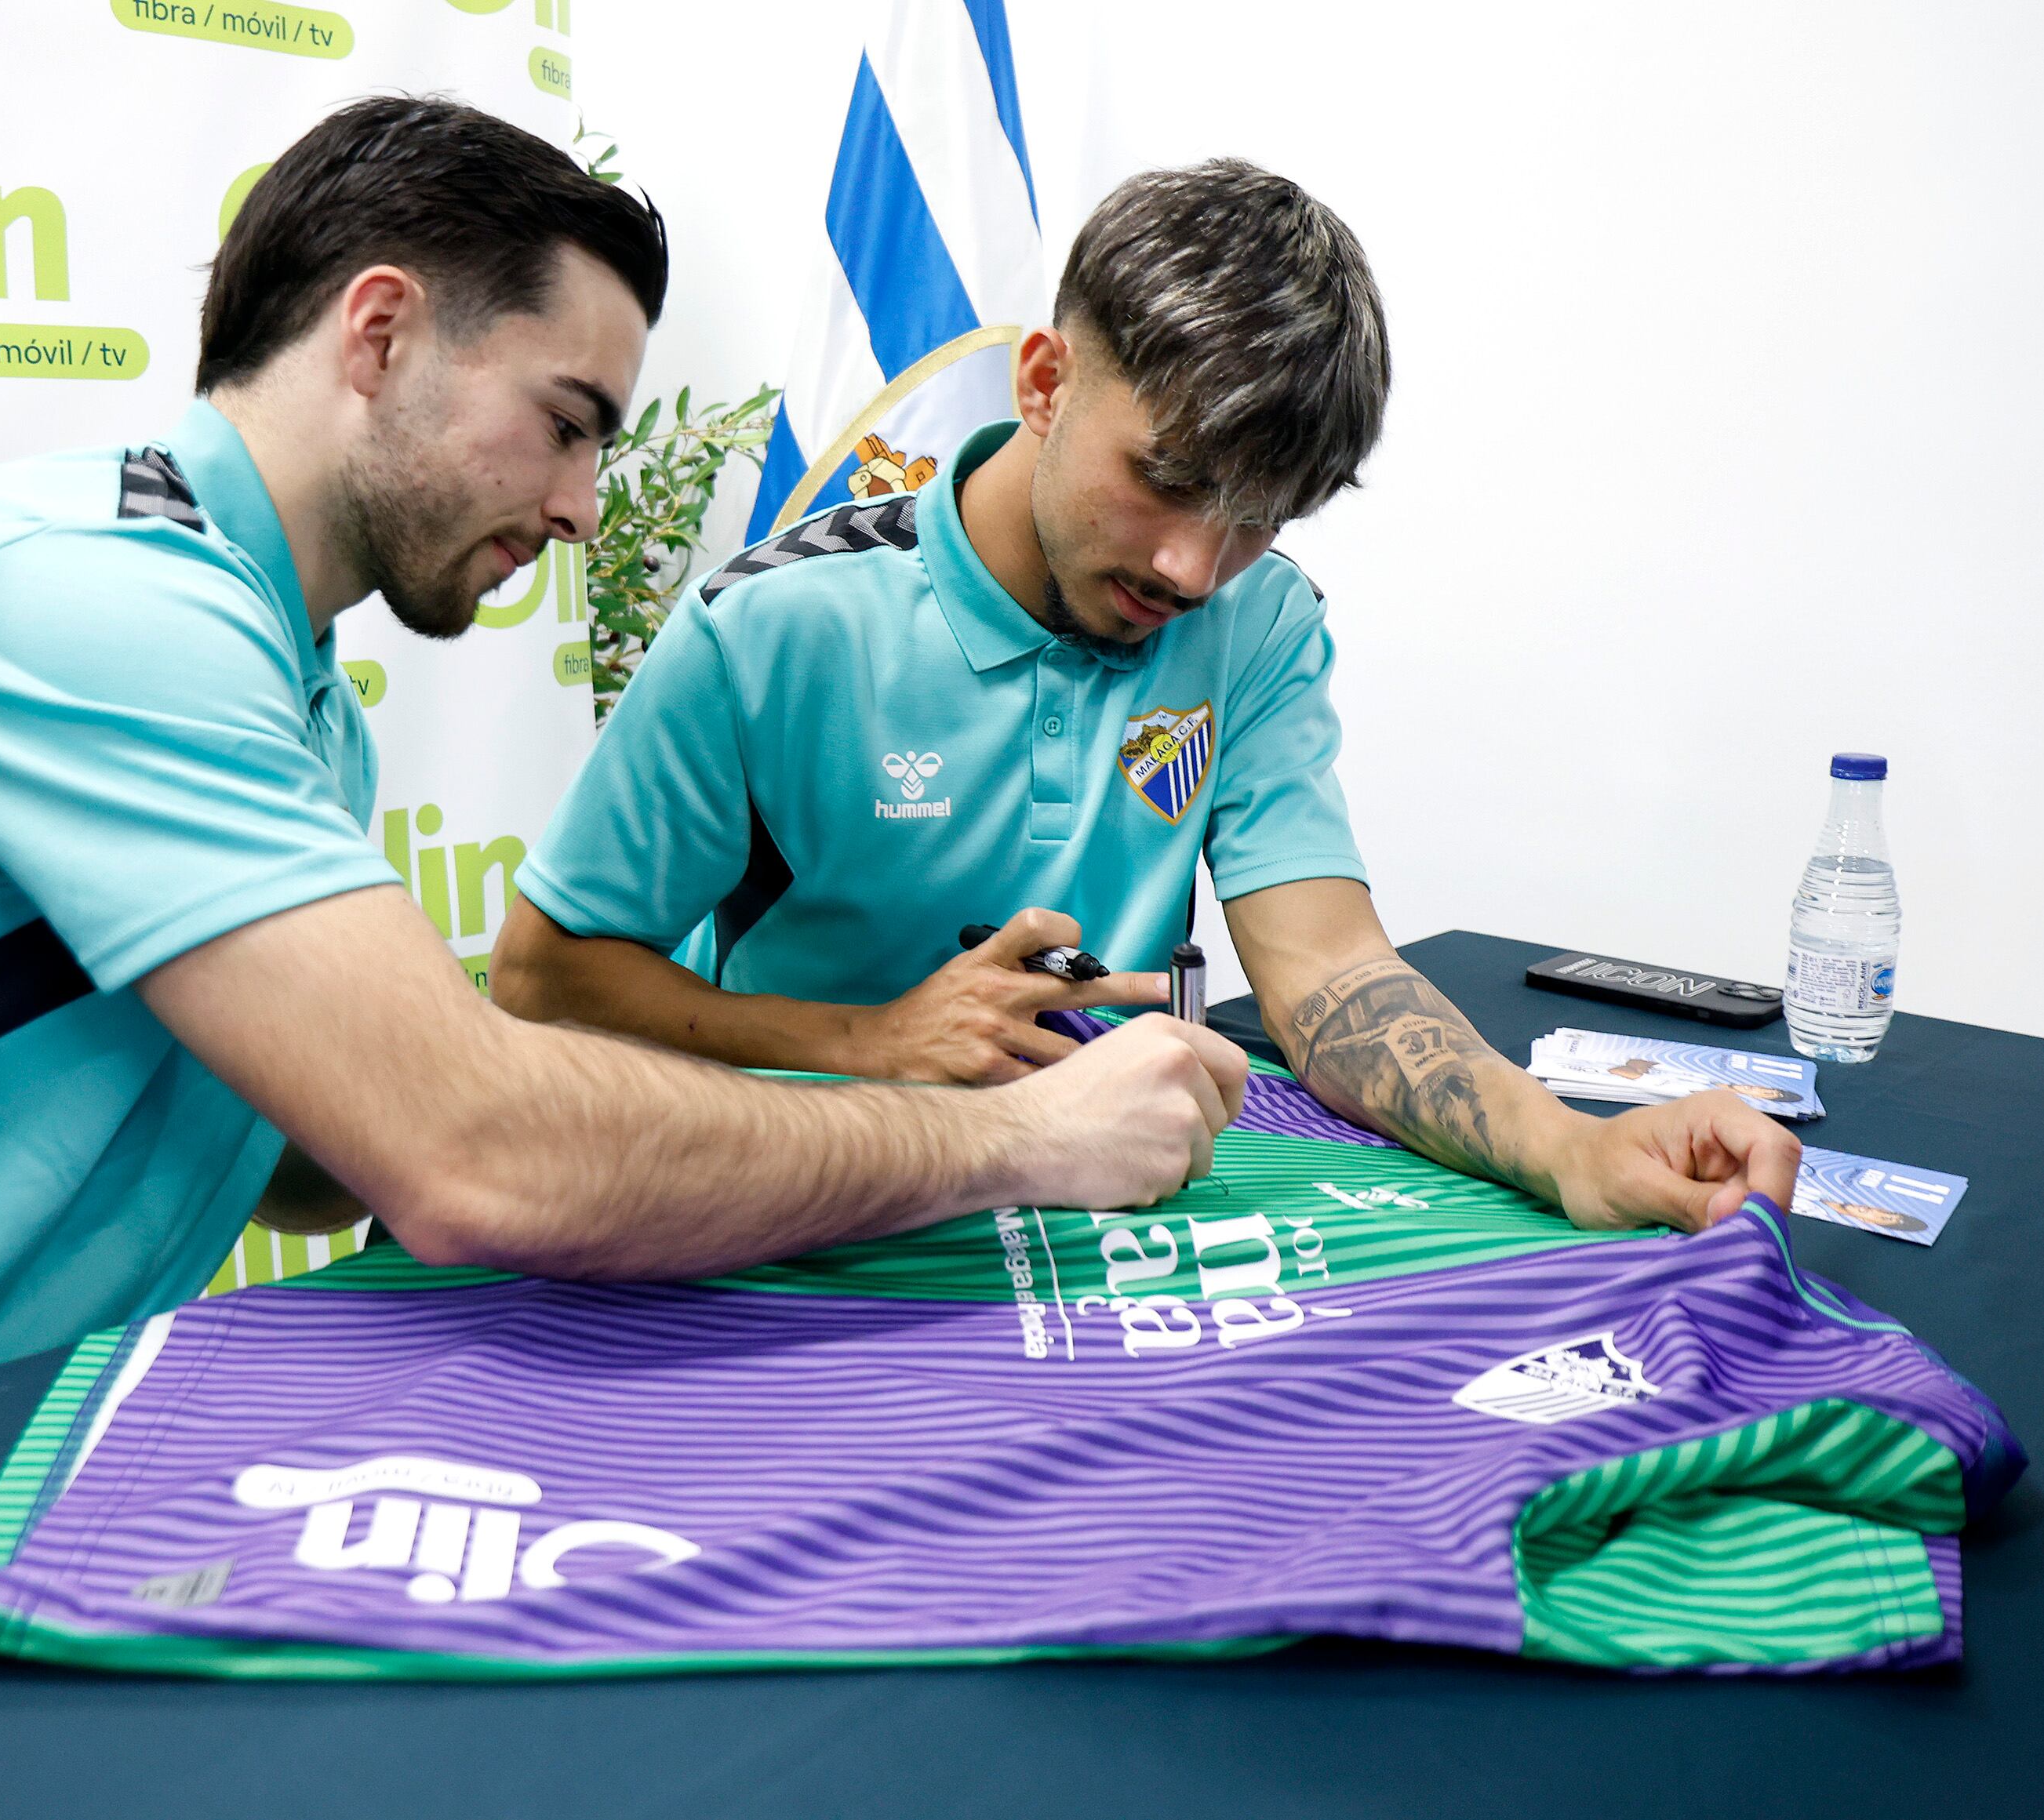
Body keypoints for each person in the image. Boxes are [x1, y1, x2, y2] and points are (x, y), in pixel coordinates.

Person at [0, 100, 1246, 1527]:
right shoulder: (79, 604)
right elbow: (468, 1157)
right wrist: (1015, 1145)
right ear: (379, 332)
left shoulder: (287, 695)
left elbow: (315, 1153)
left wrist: (553, 1103)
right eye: (567, 418)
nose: (593, 505)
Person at [493, 159, 1799, 1236]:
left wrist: (1571, 1149)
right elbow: (543, 978)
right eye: (1167, 479)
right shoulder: (770, 627)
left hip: (1109, 1221)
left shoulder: (1261, 619)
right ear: (1046, 384)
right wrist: (871, 1040)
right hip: (812, 1211)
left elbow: (1329, 971)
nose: (1193, 568)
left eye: (1254, 518)